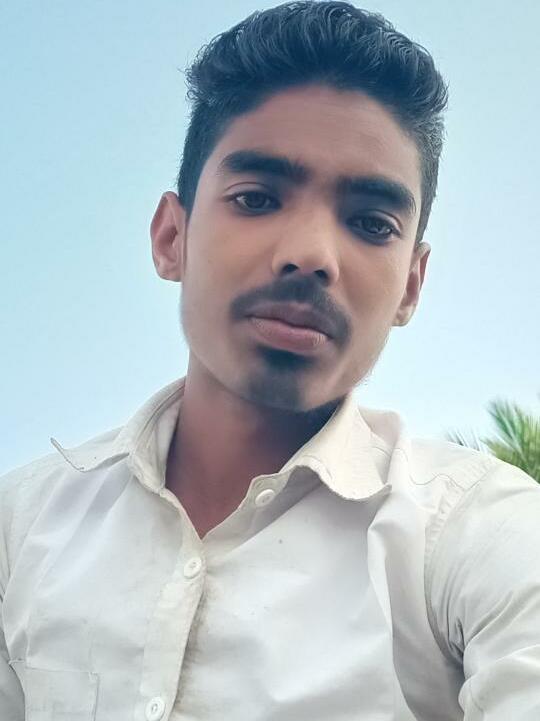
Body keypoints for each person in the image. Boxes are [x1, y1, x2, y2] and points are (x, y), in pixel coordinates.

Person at [1, 1, 539, 719]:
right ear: (171, 238)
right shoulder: (21, 529)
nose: (310, 255)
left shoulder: (478, 532)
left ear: (411, 285)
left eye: (371, 223)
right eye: (256, 199)